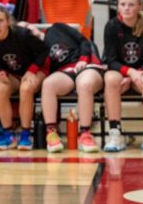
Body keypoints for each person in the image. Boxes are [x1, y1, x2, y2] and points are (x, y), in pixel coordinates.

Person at [29, 21, 105, 154]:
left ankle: (85, 134)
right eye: (24, 31)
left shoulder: (56, 29)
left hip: (86, 64)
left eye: (28, 27)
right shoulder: (35, 50)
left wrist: (83, 58)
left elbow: (83, 41)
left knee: (85, 84)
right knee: (48, 84)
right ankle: (51, 134)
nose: (28, 31)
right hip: (65, 72)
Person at [103, 0, 143, 153]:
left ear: (140, 7)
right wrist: (130, 73)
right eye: (122, 4)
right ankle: (115, 133)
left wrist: (136, 75)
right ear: (118, 8)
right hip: (121, 74)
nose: (126, 8)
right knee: (110, 79)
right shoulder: (111, 26)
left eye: (131, 4)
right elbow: (110, 60)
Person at [0, 5, 45, 150]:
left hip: (36, 69)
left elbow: (44, 51)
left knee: (26, 88)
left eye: (1, 21)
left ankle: (25, 135)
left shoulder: (22, 34)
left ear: (8, 21)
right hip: (14, 74)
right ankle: (8, 135)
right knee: (1, 87)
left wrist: (32, 70)